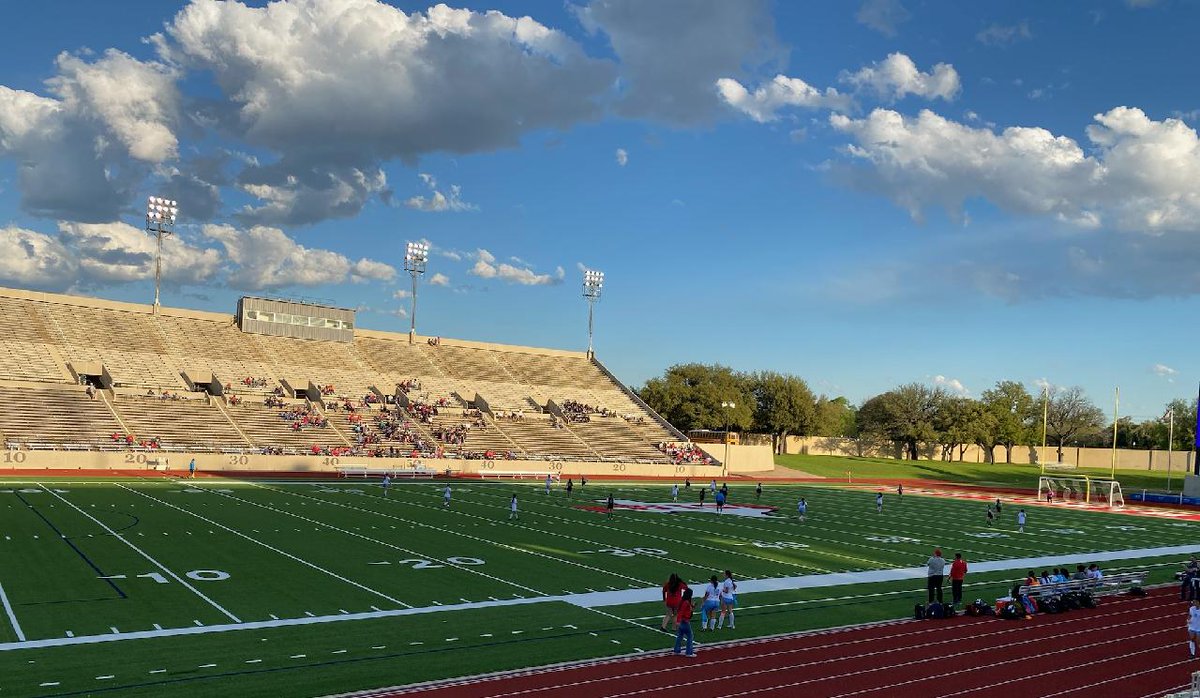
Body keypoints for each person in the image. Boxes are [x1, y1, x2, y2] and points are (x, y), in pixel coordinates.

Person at [673, 588, 696, 657]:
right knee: (690, 636)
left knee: (680, 635)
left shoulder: (682, 600)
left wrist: (692, 606)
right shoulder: (686, 602)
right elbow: (681, 612)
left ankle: (677, 650)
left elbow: (682, 610)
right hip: (684, 621)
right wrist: (678, 621)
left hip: (682, 621)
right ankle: (689, 652)